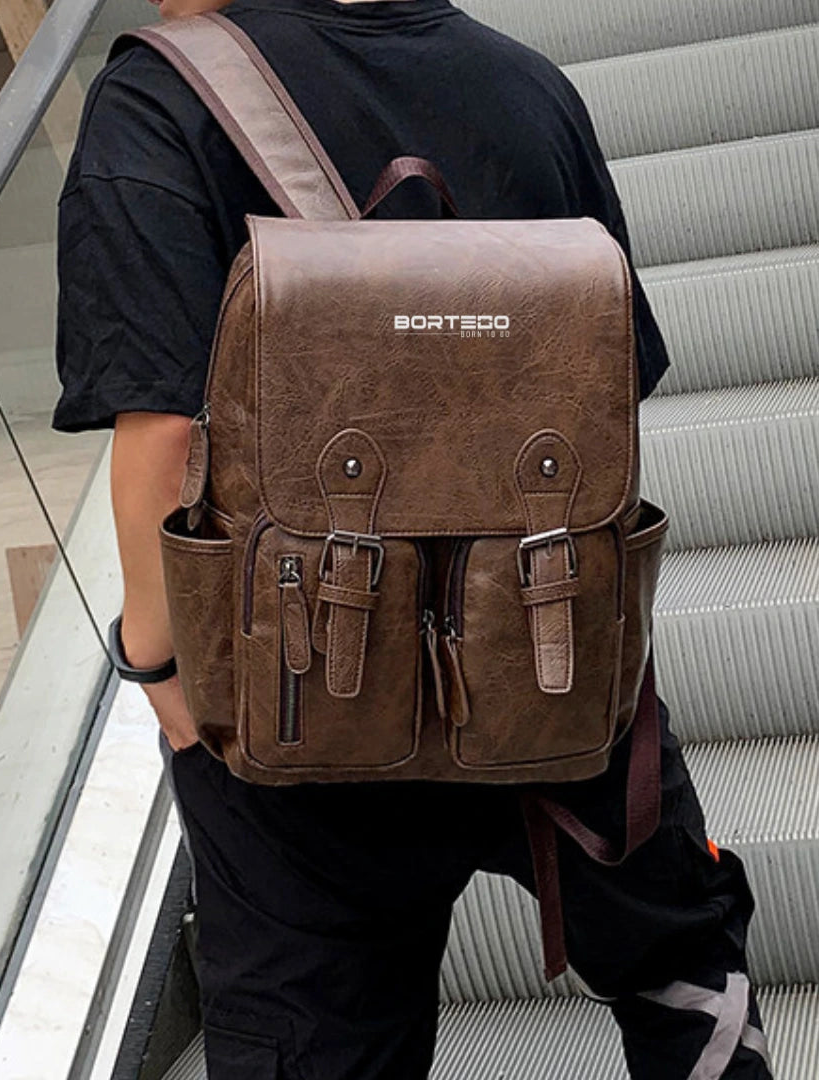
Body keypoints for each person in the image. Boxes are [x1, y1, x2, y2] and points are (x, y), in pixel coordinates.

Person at [53, 1, 773, 1076]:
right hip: (548, 641)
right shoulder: (528, 89)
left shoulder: (159, 99)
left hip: (304, 684)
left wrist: (160, 666)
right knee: (680, 955)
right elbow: (611, 390)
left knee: (320, 1039)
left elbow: (160, 436)